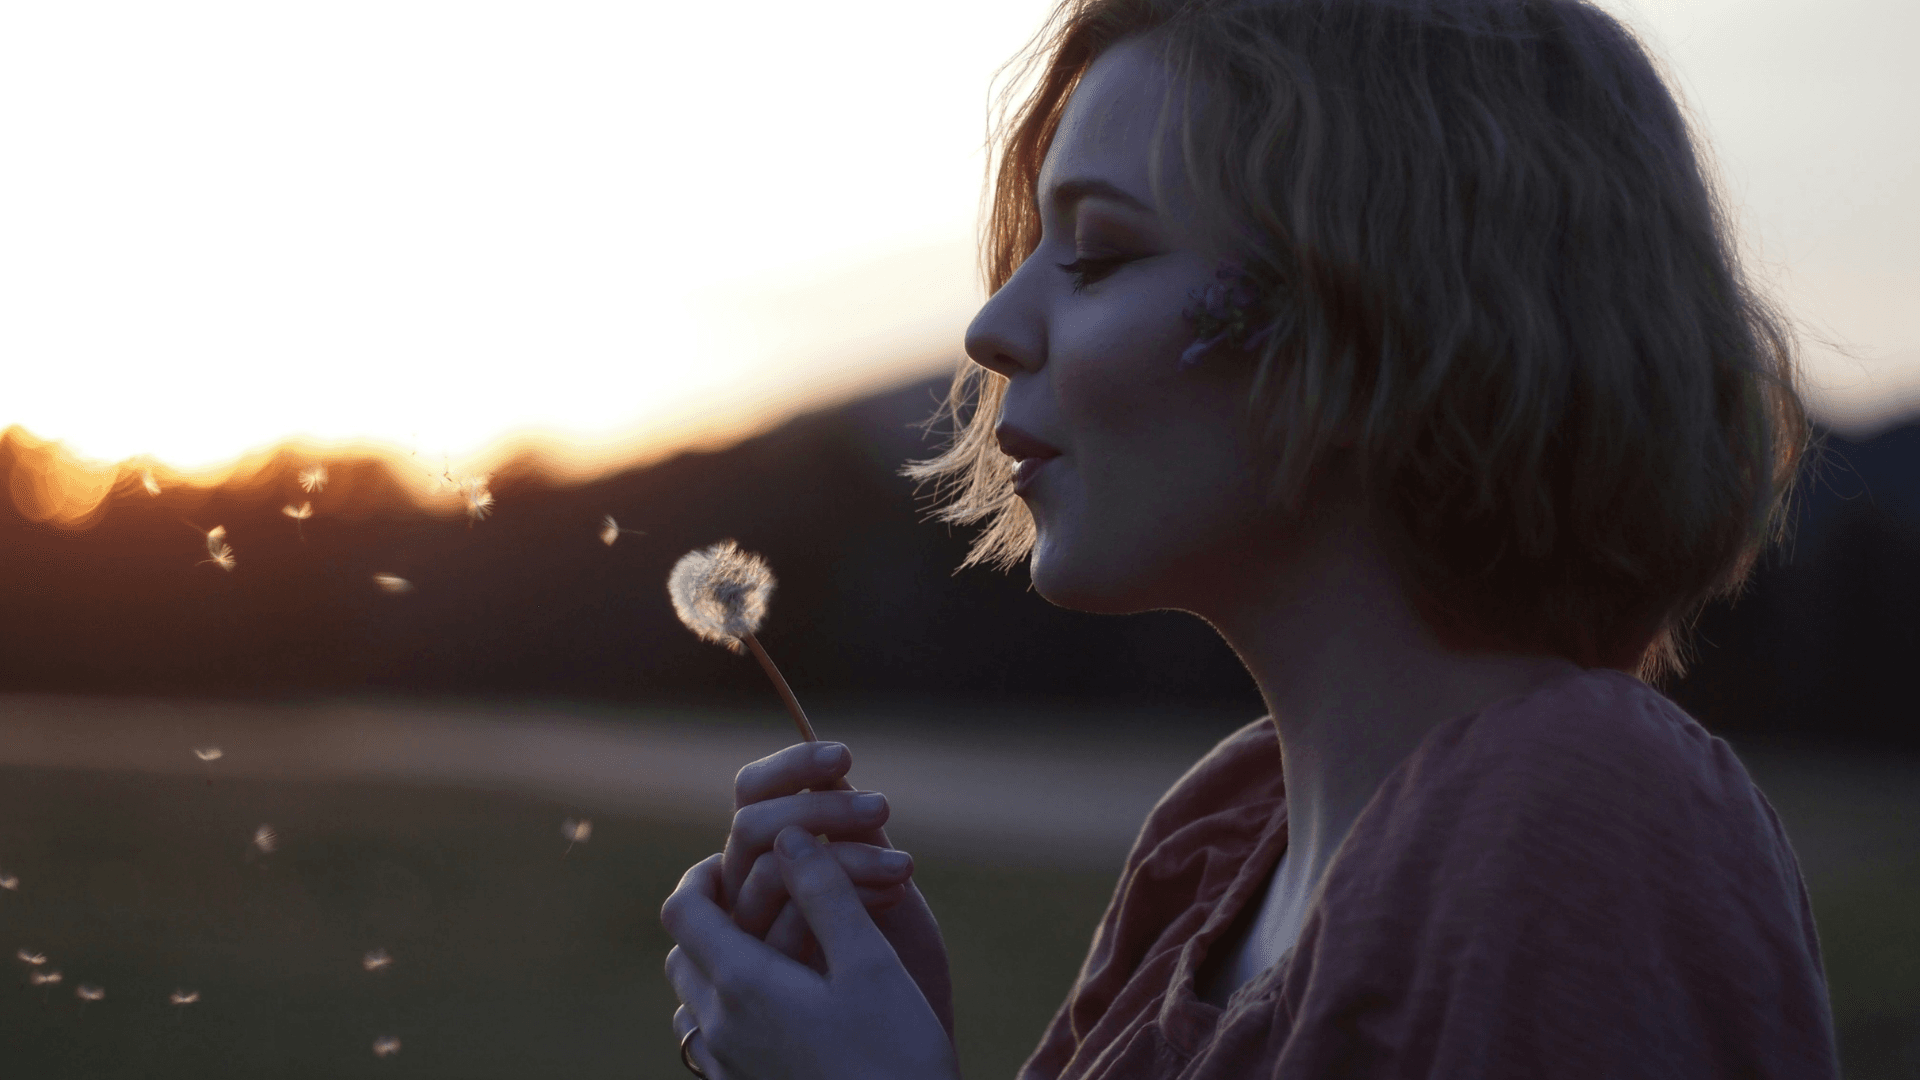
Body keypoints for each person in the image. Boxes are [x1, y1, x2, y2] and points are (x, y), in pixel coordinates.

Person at [660, 0, 1840, 1076]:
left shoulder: (1585, 816)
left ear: (1390, 307)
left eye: (1101, 253)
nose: (994, 327)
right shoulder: (1216, 843)